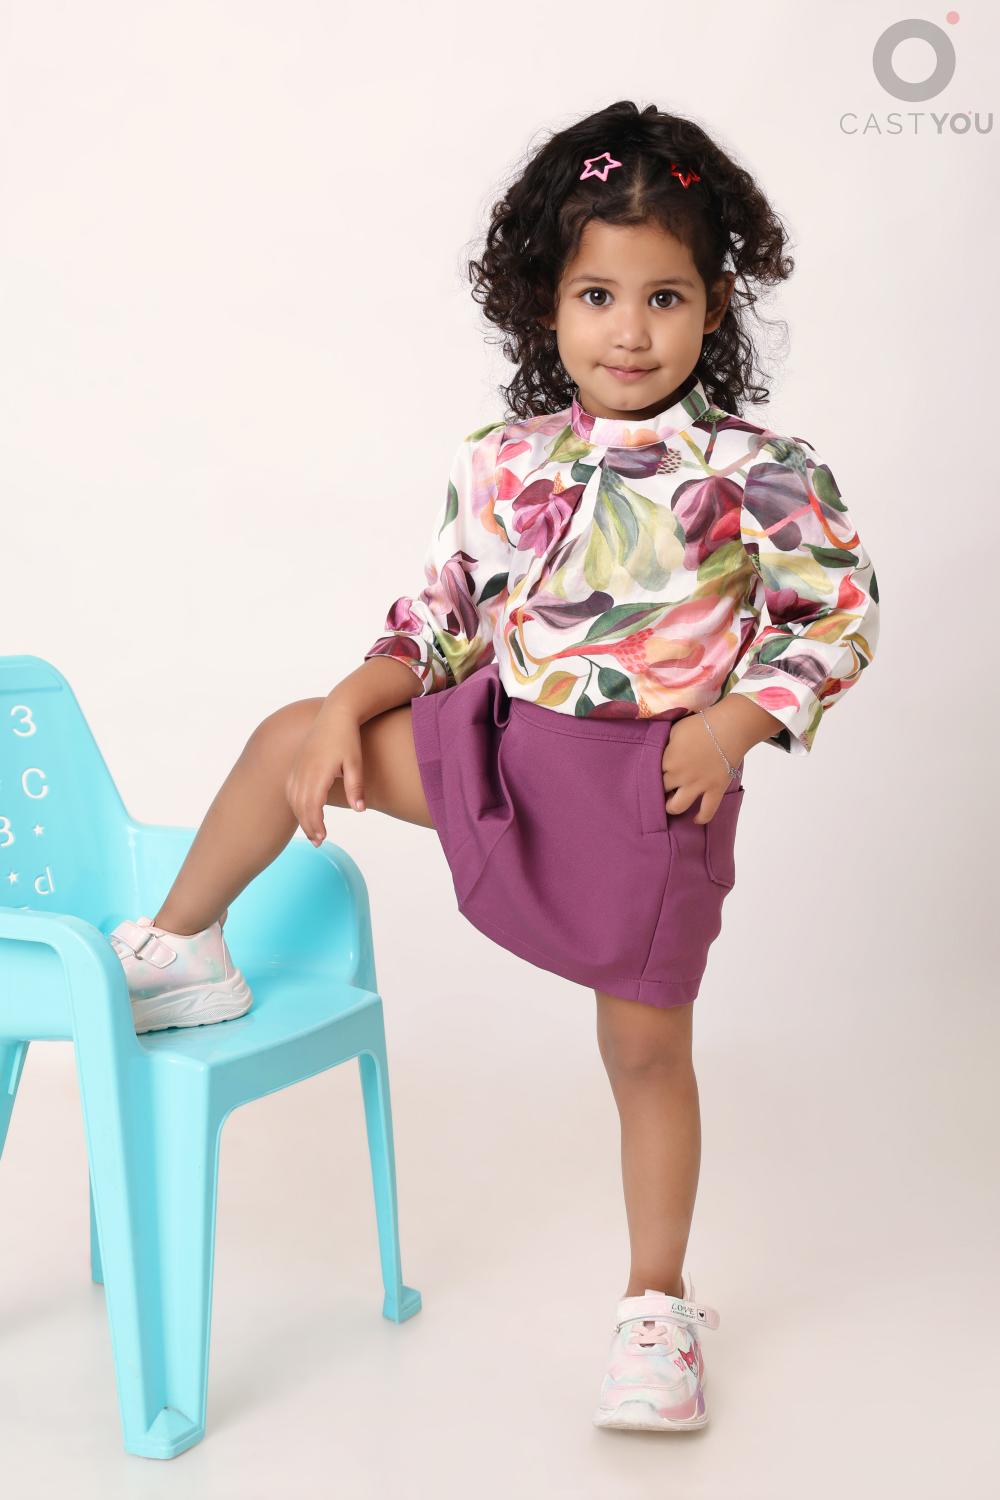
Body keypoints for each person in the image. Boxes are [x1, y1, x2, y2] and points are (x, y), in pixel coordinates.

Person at [107, 100, 879, 1434]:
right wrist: (354, 699)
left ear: (714, 305)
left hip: (651, 792)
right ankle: (183, 950)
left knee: (644, 1052)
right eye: (596, 295)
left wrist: (735, 725)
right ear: (546, 303)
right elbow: (445, 617)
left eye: (663, 297)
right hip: (509, 754)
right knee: (291, 730)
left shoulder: (762, 472)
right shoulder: (505, 461)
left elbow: (837, 617)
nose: (628, 330)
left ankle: (656, 1308)